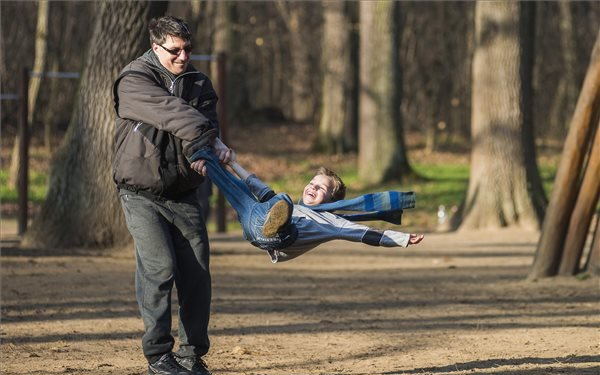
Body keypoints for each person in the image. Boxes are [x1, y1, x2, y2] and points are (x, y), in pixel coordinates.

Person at [112, 16, 230, 375]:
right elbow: (170, 113)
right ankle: (158, 356)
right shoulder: (134, 80)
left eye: (188, 49)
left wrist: (204, 152)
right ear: (155, 46)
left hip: (182, 193)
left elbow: (203, 125)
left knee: (196, 273)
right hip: (140, 190)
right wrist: (207, 136)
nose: (183, 56)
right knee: (159, 266)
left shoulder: (198, 82)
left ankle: (192, 354)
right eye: (174, 50)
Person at [189, 146, 424, 263]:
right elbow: (255, 183)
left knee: (280, 199)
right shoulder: (295, 207)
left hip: (278, 237)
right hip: (254, 222)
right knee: (239, 187)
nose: (312, 187)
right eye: (312, 183)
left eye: (320, 188)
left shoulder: (332, 221)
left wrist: (403, 239)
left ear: (332, 201)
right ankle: (202, 158)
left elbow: (366, 234)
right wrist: (231, 162)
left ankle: (275, 224)